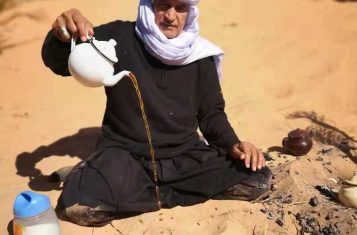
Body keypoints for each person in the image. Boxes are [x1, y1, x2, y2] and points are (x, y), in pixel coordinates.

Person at [42, 0, 272, 227]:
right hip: (126, 156)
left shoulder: (201, 55)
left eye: (180, 8)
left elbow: (211, 114)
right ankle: (95, 176)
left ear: (190, 12)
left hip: (184, 157)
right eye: (163, 5)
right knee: (80, 206)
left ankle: (138, 193)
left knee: (256, 179)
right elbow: (59, 62)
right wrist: (60, 36)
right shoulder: (118, 37)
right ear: (149, 5)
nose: (171, 16)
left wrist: (233, 144)